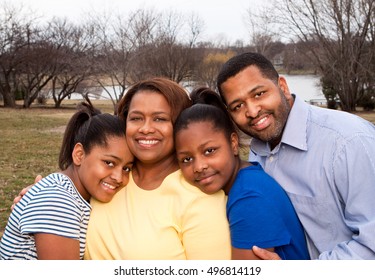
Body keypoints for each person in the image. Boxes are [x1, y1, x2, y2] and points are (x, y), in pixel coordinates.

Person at [216, 52, 375, 260]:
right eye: (238, 106)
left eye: (259, 94)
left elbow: (371, 244)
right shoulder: (256, 152)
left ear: (282, 86)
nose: (252, 111)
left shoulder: (348, 142)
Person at [83, 77, 231, 259]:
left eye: (159, 119)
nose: (146, 128)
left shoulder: (199, 200)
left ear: (179, 126)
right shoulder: (108, 177)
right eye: (136, 118)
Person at [174, 87, 310, 260]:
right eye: (186, 159)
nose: (199, 166)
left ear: (233, 143)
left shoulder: (249, 197)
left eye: (209, 151)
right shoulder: (246, 179)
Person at [0, 101, 134, 260]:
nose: (119, 177)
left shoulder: (69, 193)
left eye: (126, 168)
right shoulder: (58, 201)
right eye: (109, 163)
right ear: (79, 154)